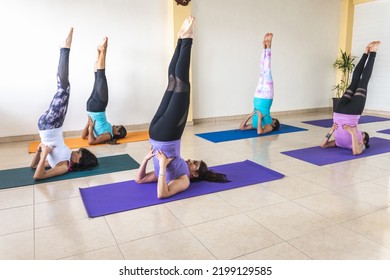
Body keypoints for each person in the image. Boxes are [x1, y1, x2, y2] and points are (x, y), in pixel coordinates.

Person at [135, 16, 229, 199]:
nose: (190, 160)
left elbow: (159, 192)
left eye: (194, 163)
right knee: (172, 83)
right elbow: (142, 180)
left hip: (166, 135)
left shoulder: (184, 180)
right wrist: (155, 163)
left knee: (182, 85)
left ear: (194, 174)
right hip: (156, 133)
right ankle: (180, 41)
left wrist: (153, 162)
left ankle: (187, 39)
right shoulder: (177, 170)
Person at [31, 28, 98, 180]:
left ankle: (65, 48)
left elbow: (37, 175)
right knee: (64, 88)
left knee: (64, 88)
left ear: (79, 161)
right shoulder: (64, 158)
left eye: (78, 153)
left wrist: (44, 154)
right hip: (48, 125)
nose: (75, 151)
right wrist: (39, 153)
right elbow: (34, 166)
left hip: (51, 125)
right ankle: (64, 49)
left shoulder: (63, 167)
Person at [320, 40, 381, 155]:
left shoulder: (339, 143)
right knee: (358, 82)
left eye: (362, 133)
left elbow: (323, 145)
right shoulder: (360, 144)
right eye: (361, 133)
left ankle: (370, 52)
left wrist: (331, 130)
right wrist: (353, 133)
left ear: (364, 139)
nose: (360, 132)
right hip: (346, 112)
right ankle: (367, 52)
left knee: (358, 82)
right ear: (363, 141)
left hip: (341, 111)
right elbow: (357, 151)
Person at [82, 36, 127, 144]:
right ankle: (100, 51)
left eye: (117, 127)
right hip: (91, 107)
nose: (115, 125)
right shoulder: (108, 129)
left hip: (99, 106)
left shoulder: (109, 134)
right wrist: (89, 124)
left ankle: (102, 50)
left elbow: (91, 142)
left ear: (117, 133)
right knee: (97, 77)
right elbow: (84, 136)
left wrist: (91, 126)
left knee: (101, 77)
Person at [239, 33, 280, 135]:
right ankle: (269, 47)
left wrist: (249, 116)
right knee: (267, 71)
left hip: (257, 98)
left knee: (262, 71)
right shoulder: (269, 125)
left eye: (274, 119)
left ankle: (264, 48)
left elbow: (242, 128)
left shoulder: (255, 123)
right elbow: (260, 132)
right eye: (274, 119)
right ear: (274, 125)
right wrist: (261, 119)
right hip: (267, 98)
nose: (273, 119)